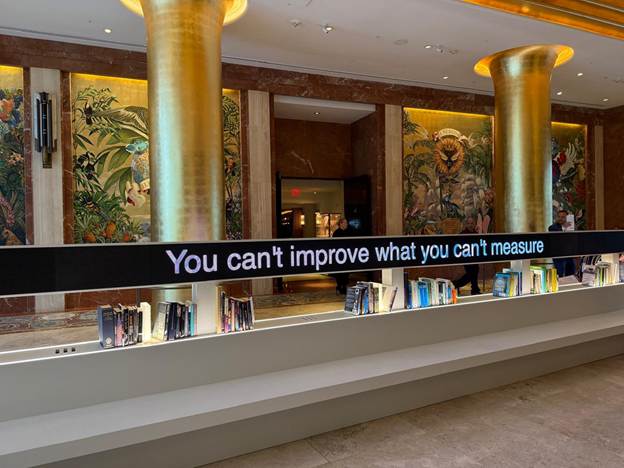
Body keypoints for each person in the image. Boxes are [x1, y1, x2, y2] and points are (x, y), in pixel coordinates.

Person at [453, 216, 481, 295]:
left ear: (474, 224)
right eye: (468, 223)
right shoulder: (462, 234)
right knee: (470, 274)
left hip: (474, 257)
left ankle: (475, 289)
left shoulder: (475, 233)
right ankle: (455, 284)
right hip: (466, 258)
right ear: (466, 224)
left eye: (472, 223)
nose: (470, 225)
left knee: (475, 272)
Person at [548, 209, 576, 278]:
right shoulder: (553, 227)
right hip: (559, 256)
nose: (560, 218)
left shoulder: (570, 227)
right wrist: (563, 227)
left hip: (569, 255)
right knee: (560, 274)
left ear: (567, 218)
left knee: (571, 274)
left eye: (563, 217)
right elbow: (553, 230)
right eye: (559, 217)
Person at [332, 217, 353, 294]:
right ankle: (339, 286)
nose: (346, 224)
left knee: (346, 272)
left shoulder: (349, 232)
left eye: (347, 223)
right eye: (345, 223)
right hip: (339, 256)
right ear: (341, 224)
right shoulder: (336, 233)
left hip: (347, 255)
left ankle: (344, 286)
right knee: (340, 272)